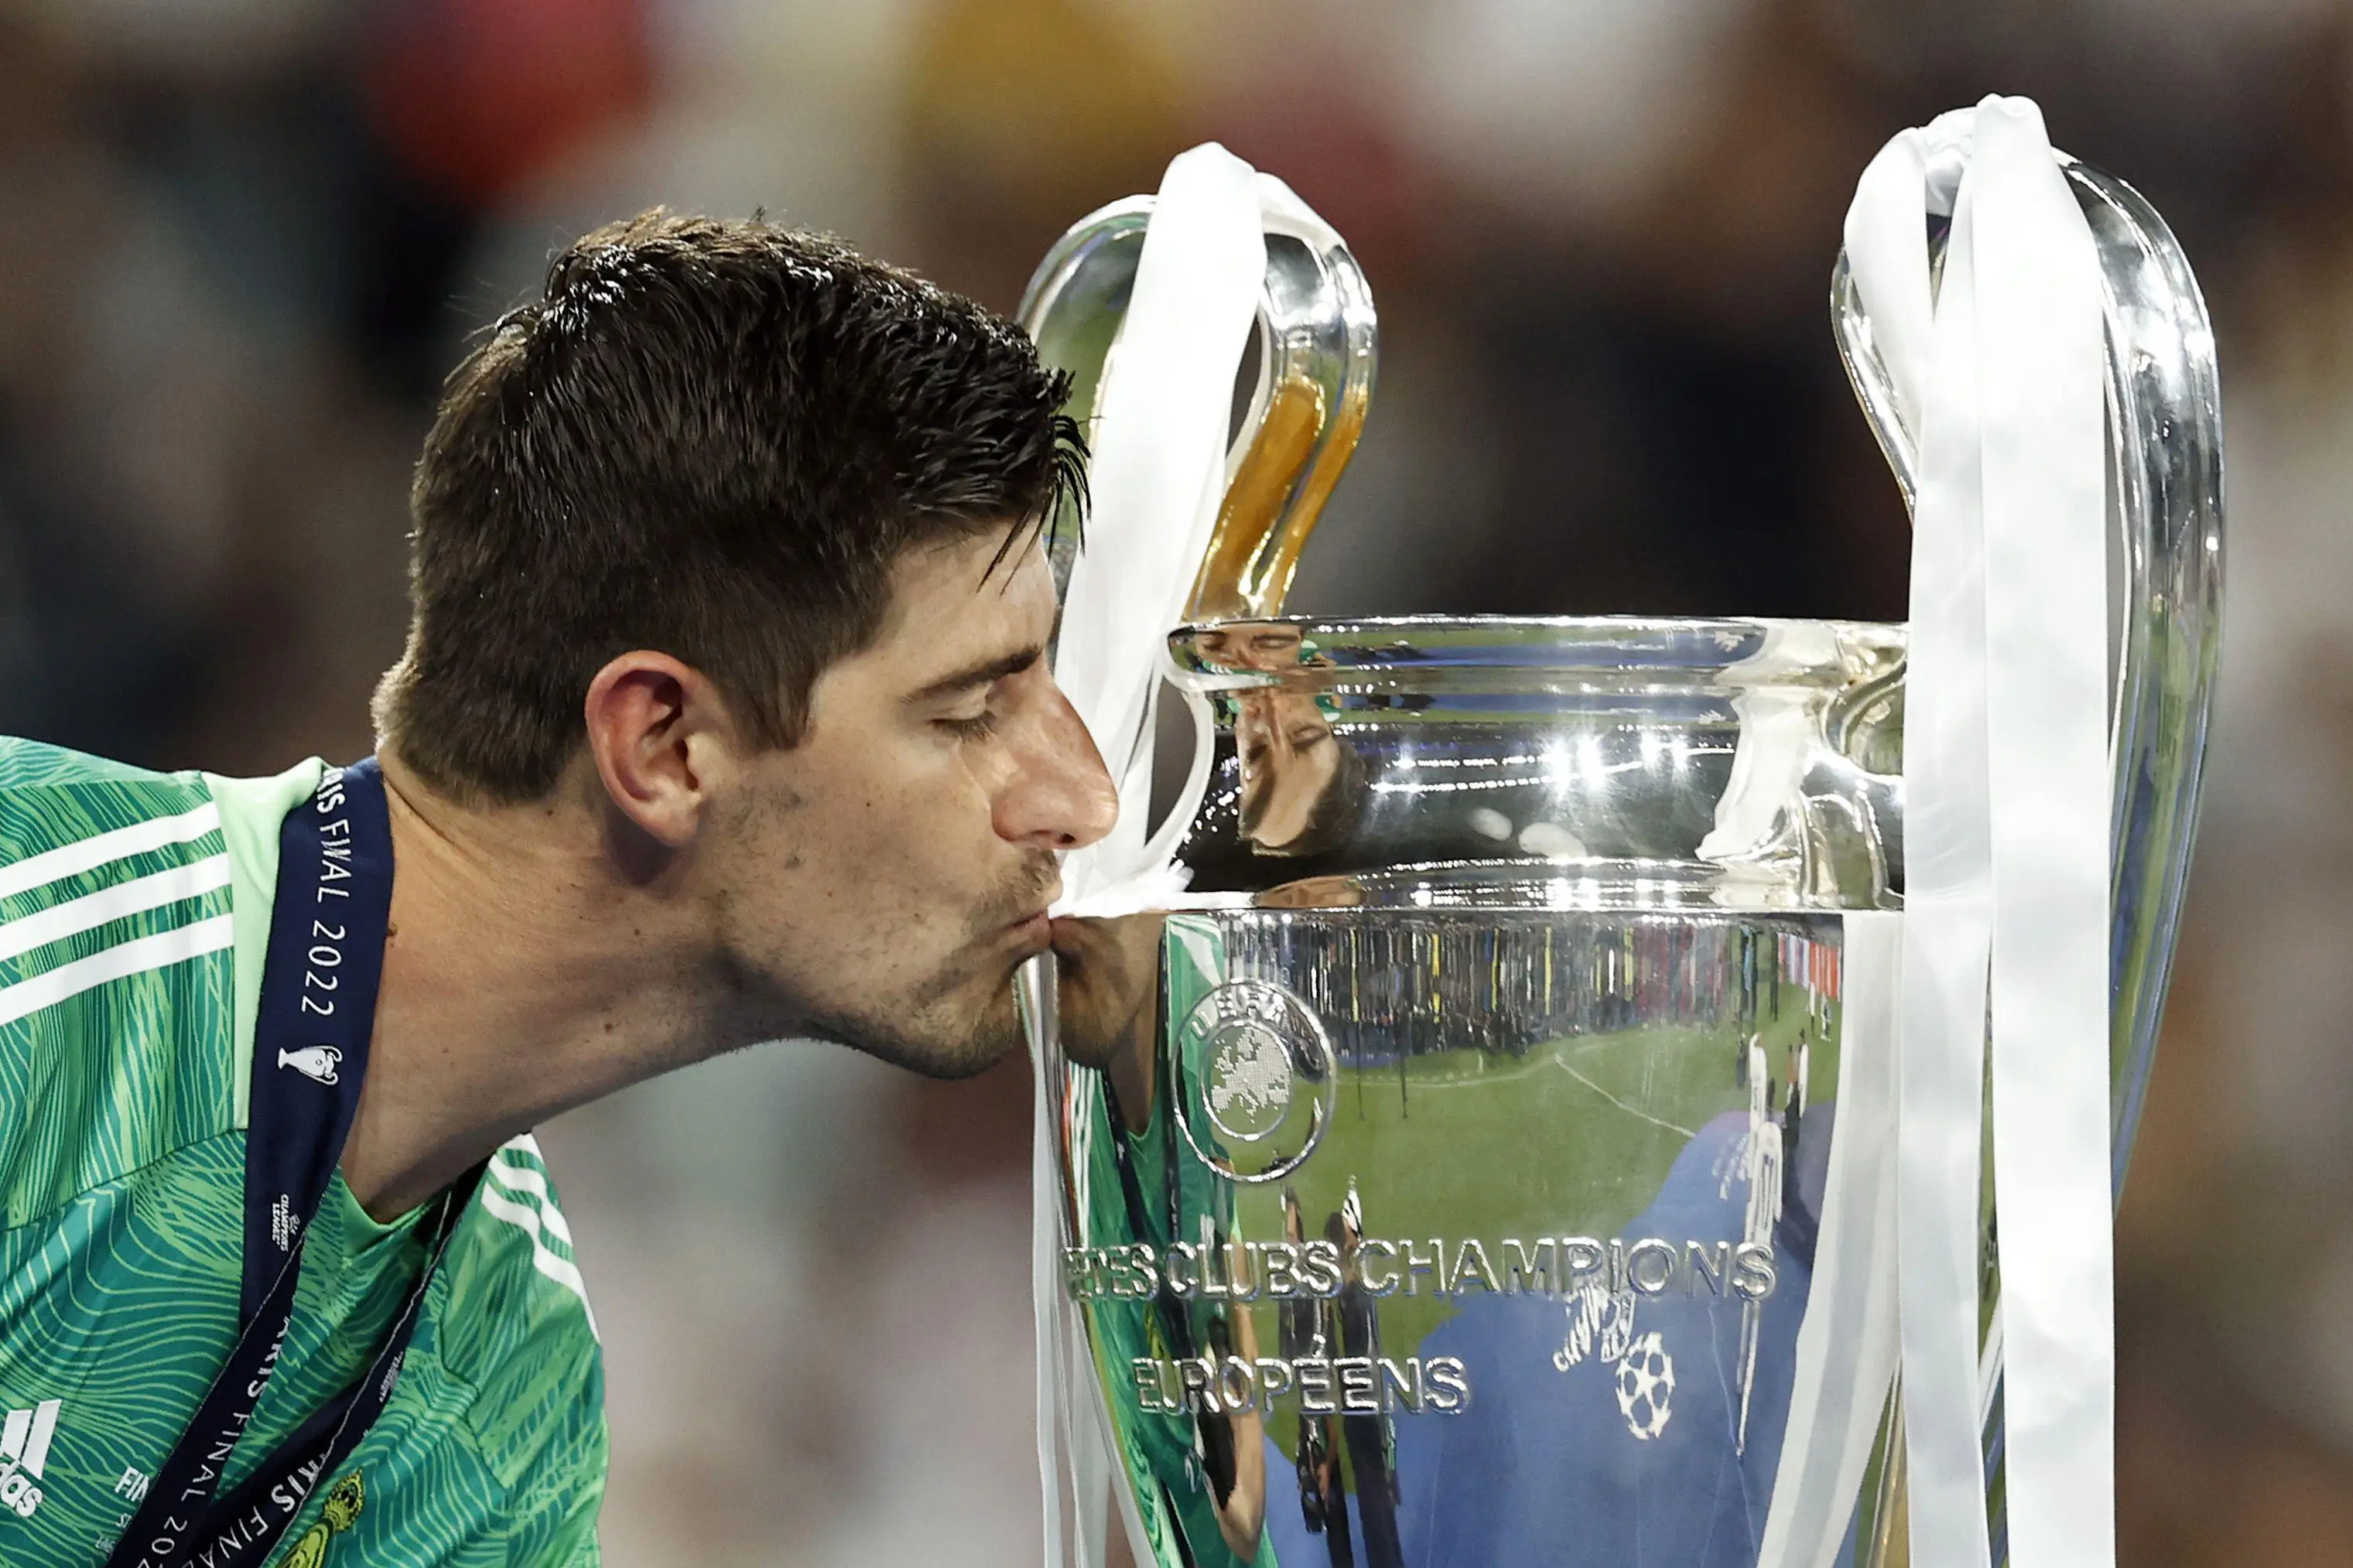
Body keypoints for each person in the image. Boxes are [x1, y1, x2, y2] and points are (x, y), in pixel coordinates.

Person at [0, 213, 1118, 1568]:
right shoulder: (32, 950)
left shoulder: (511, 1393)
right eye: (967, 709)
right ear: (662, 745)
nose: (1081, 796)